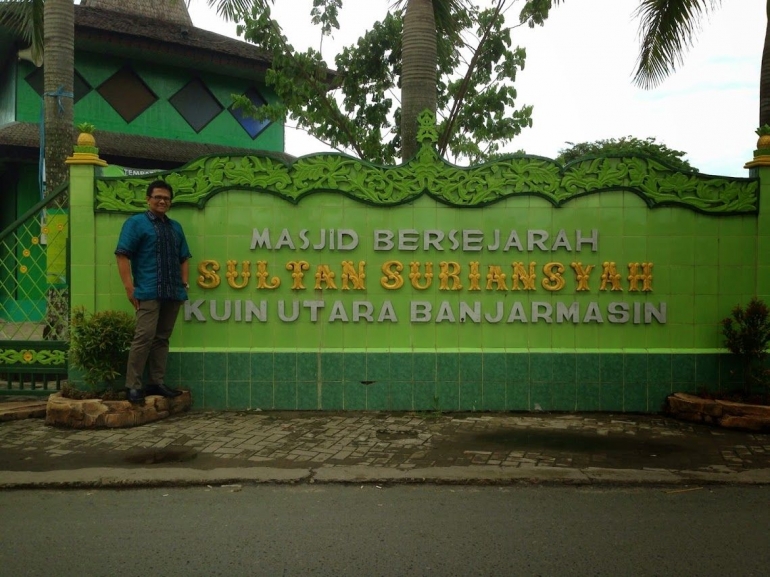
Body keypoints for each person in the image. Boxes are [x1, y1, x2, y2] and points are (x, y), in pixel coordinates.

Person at [115, 180, 191, 404]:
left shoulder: (175, 227)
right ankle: (133, 385)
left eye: (166, 198)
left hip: (173, 292)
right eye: (157, 197)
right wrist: (130, 288)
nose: (162, 201)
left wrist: (184, 283)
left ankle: (156, 382)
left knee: (162, 339)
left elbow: (184, 257)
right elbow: (122, 255)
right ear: (148, 199)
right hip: (147, 290)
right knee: (144, 337)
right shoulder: (136, 223)